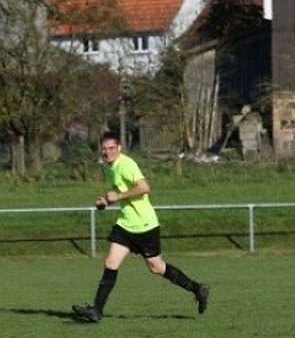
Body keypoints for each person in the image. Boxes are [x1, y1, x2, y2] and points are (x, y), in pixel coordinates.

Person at [72, 131, 210, 322]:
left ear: (119, 148)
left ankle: (197, 288)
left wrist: (117, 197)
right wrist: (106, 201)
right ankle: (96, 310)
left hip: (145, 225)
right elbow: (121, 191)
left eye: (111, 148)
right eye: (104, 149)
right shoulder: (110, 167)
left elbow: (144, 187)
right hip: (126, 224)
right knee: (111, 263)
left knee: (156, 267)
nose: (107, 152)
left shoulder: (126, 164)